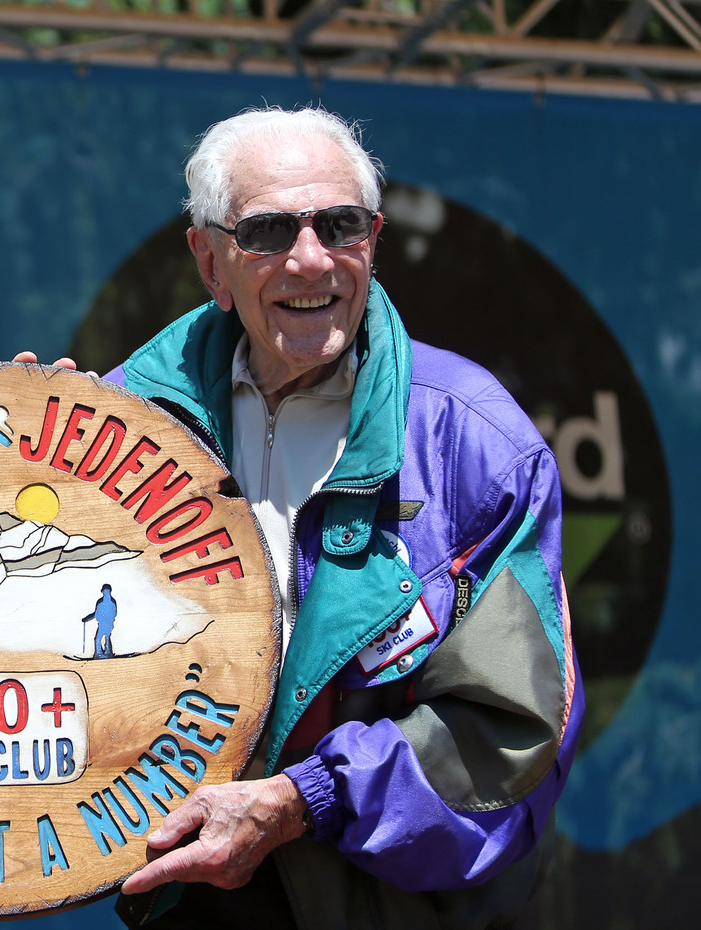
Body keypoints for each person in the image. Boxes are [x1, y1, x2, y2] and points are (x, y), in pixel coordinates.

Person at [107, 107, 584, 929]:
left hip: (388, 899)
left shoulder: (476, 442)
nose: (310, 259)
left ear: (374, 240)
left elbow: (512, 732)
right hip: (183, 895)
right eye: (265, 231)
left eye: (340, 224)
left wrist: (307, 797)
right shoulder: (116, 423)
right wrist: (25, 471)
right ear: (208, 259)